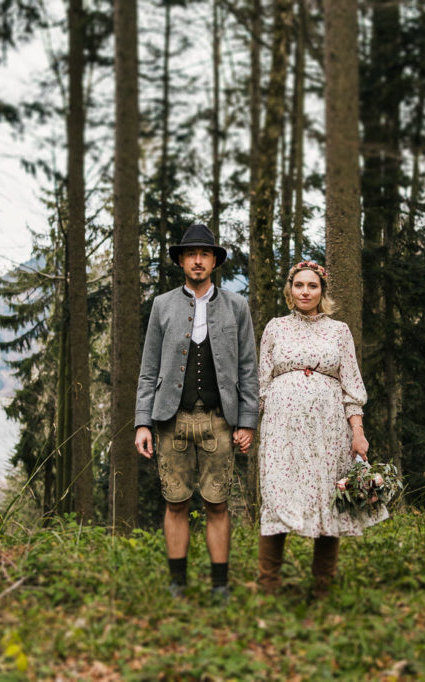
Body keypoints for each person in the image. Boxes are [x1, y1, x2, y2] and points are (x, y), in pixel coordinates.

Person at [135, 223, 259, 602]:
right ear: (181, 261)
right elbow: (149, 367)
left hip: (221, 421)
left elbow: (248, 369)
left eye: (205, 254)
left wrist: (247, 422)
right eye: (192, 254)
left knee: (218, 504)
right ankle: (178, 583)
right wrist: (142, 421)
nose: (198, 261)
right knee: (176, 503)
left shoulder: (237, 306)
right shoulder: (162, 305)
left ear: (215, 261)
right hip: (171, 419)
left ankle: (219, 585)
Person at [255, 260, 388, 598]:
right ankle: (268, 587)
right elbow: (261, 381)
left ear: (322, 291)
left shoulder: (339, 331)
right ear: (290, 289)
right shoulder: (275, 327)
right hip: (282, 429)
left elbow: (352, 386)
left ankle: (322, 588)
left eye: (312, 286)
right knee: (277, 496)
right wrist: (257, 420)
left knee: (330, 499)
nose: (305, 291)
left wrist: (358, 432)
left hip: (329, 430)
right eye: (299, 285)